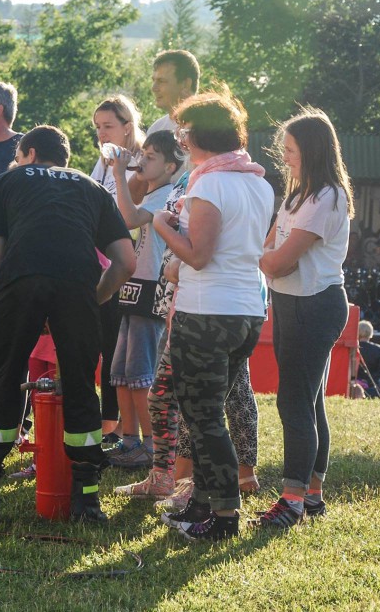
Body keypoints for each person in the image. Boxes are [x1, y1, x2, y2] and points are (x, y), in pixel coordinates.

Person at [0, 126, 135, 524]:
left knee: (3, 382)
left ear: (29, 152)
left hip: (19, 279)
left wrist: (22, 301)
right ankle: (87, 503)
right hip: (78, 283)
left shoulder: (6, 182)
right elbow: (125, 262)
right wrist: (90, 300)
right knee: (79, 387)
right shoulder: (92, 188)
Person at [152, 92, 273, 541]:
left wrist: (162, 226)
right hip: (245, 312)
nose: (180, 137)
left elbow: (198, 257)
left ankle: (223, 518)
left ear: (198, 135)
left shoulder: (208, 184)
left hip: (206, 312)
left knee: (202, 419)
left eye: (184, 130)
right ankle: (201, 505)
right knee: (207, 414)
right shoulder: (258, 181)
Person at [256, 107, 352, 528]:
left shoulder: (327, 195)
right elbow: (273, 251)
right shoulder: (298, 193)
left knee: (293, 400)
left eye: (291, 150)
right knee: (309, 401)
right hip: (292, 303)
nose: (285, 157)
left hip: (316, 304)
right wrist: (266, 256)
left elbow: (280, 262)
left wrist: (256, 256)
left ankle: (292, 498)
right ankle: (311, 495)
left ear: (311, 150)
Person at [105, 130, 179, 470]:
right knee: (120, 371)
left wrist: (120, 174)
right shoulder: (154, 192)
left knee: (140, 373)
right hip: (135, 285)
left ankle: (150, 446)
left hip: (152, 288)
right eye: (144, 153)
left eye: (151, 156)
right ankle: (129, 440)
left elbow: (130, 218)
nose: (143, 159)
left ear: (170, 166)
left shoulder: (166, 195)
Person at [91, 95, 147, 444]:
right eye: (97, 127)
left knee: (119, 352)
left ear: (128, 127)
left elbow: (130, 216)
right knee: (106, 349)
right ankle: (109, 426)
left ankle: (123, 432)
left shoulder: (140, 162)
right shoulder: (104, 160)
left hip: (130, 269)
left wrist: (120, 172)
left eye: (108, 126)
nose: (101, 133)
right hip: (102, 264)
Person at [148, 49, 200, 135]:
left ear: (186, 84)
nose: (154, 88)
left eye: (161, 81)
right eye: (153, 80)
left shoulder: (210, 128)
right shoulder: (155, 130)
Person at [356, 320, 380, 398]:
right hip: (372, 384)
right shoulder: (379, 349)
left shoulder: (352, 348)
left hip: (354, 383)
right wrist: (368, 381)